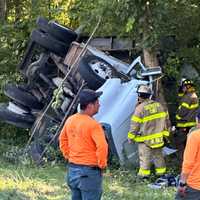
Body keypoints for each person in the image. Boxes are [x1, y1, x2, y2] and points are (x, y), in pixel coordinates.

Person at [59, 88, 108, 200]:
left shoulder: (70, 120)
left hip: (72, 171)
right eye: (97, 103)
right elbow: (102, 146)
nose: (99, 105)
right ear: (90, 105)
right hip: (89, 174)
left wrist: (68, 156)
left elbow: (62, 140)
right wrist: (102, 164)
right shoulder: (94, 125)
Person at [127, 84, 170, 178]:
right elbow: (166, 121)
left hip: (145, 141)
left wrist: (131, 138)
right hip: (158, 139)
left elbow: (134, 125)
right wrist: (166, 135)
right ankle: (161, 175)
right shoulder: (159, 106)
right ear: (149, 95)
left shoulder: (140, 109)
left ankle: (143, 177)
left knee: (145, 159)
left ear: (139, 96)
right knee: (159, 157)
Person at [175, 111, 200, 200]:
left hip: (195, 186)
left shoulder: (195, 136)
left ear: (197, 120)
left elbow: (188, 163)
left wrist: (182, 183)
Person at [175, 79, 199, 165]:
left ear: (185, 87)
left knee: (180, 144)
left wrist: (176, 118)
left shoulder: (187, 97)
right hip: (192, 125)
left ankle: (183, 163)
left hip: (184, 124)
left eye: (183, 87)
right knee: (190, 145)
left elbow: (182, 112)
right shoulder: (193, 95)